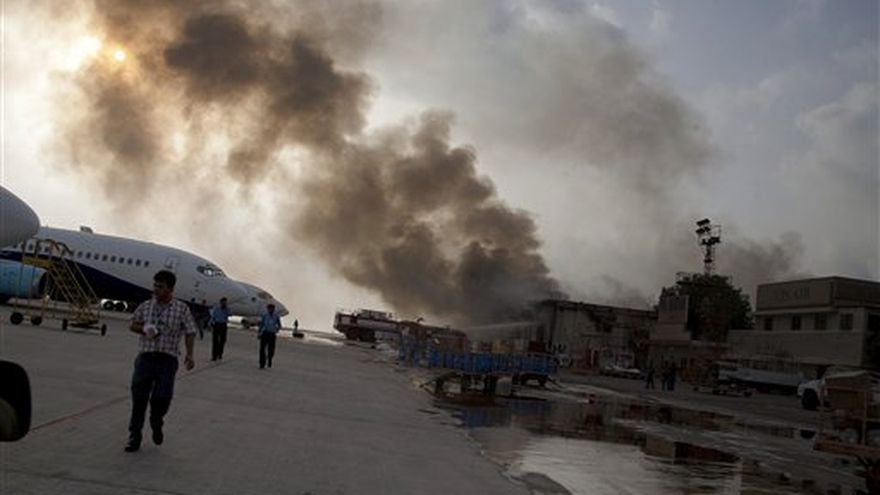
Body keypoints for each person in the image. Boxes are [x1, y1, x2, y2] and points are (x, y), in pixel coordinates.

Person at [124, 270, 196, 453]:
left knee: (162, 398)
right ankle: (134, 436)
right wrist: (144, 329)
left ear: (170, 289)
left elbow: (190, 331)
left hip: (167, 360)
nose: (156, 289)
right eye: (155, 285)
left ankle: (156, 421)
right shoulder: (146, 306)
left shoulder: (181, 309)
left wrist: (190, 354)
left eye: (160, 286)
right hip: (145, 358)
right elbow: (132, 324)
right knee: (139, 398)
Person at [258, 304, 282, 369]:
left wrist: (276, 330)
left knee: (271, 349)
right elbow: (261, 324)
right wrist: (259, 333)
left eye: (272, 309)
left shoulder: (276, 316)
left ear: (274, 309)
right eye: (269, 308)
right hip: (265, 333)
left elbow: (279, 325)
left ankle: (269, 359)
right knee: (262, 349)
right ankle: (262, 364)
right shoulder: (264, 315)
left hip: (272, 334)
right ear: (267, 309)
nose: (271, 310)